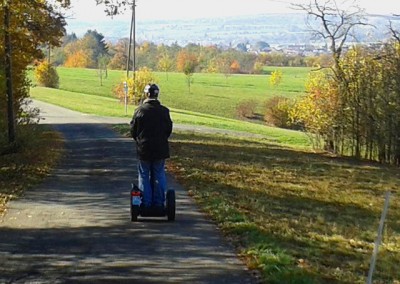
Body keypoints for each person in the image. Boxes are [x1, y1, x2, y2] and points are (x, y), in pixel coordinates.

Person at [130, 84, 173, 210]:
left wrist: (139, 140)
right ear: (157, 94)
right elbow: (168, 130)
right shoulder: (164, 111)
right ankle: (159, 204)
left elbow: (133, 131)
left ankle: (146, 204)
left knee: (144, 175)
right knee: (159, 174)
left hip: (144, 149)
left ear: (146, 94)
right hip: (160, 149)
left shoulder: (139, 111)